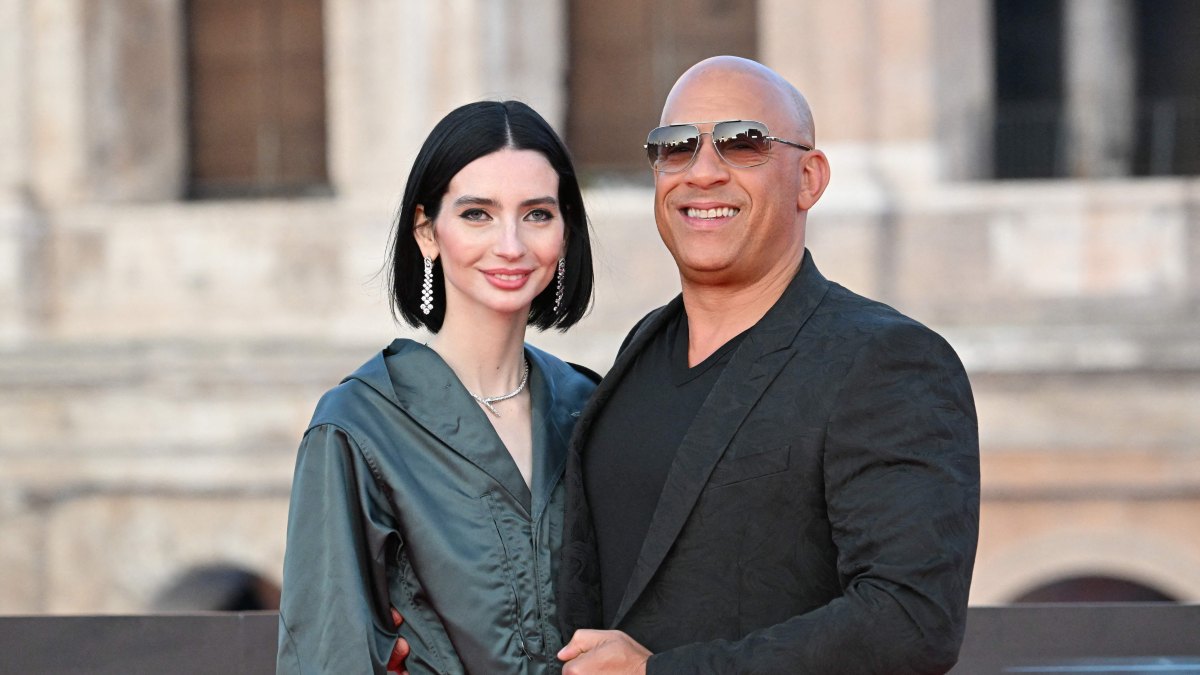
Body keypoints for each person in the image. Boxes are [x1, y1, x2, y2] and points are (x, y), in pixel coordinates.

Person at [554, 56, 980, 674]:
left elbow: (910, 621)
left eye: (741, 143)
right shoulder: (642, 348)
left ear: (809, 178)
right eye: (674, 148)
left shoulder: (886, 361)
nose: (701, 173)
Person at [276, 100, 598, 675]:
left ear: (565, 232)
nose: (510, 245)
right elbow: (330, 657)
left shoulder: (591, 408)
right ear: (427, 230)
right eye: (477, 213)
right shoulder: (357, 427)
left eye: (537, 214)